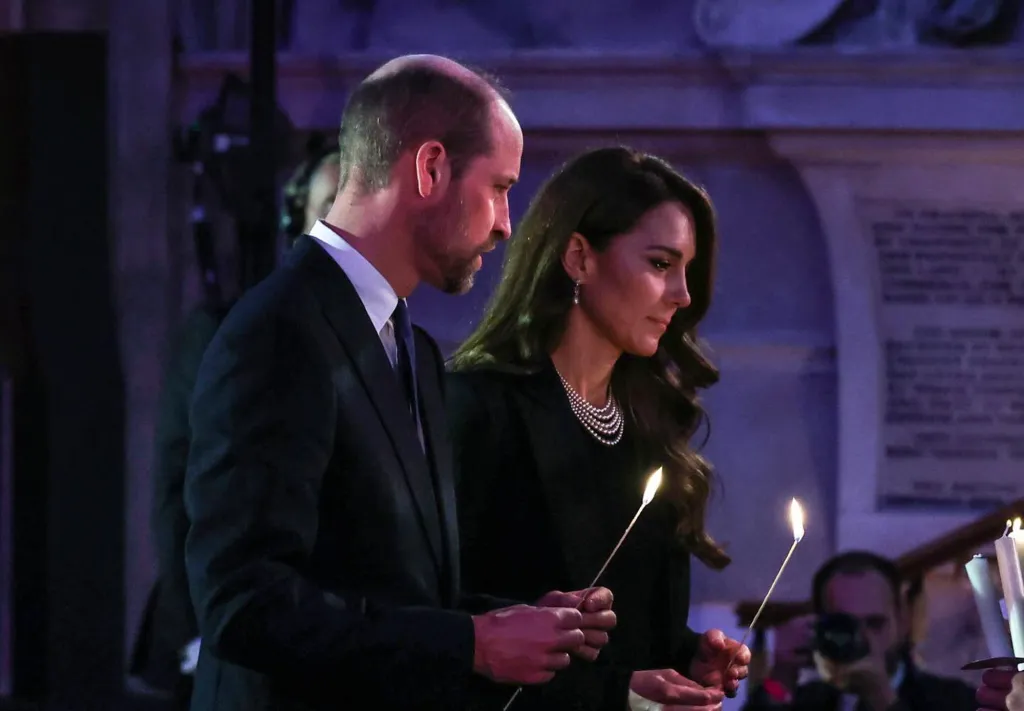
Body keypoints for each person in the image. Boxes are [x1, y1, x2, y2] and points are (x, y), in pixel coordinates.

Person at [183, 55, 615, 711]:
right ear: (430, 168)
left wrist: (516, 622)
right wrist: (471, 643)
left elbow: (395, 591)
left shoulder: (411, 346)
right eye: (498, 187)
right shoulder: (279, 333)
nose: (505, 223)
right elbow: (243, 600)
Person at [448, 146, 750, 711]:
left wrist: (688, 657)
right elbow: (443, 619)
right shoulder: (479, 407)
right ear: (579, 257)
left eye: (687, 270)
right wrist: (619, 695)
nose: (683, 295)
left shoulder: (648, 428)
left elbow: (633, 634)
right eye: (661, 264)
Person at [128, 139, 343, 707]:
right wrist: (203, 628)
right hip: (220, 642)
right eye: (327, 207)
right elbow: (177, 498)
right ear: (295, 220)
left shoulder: (383, 345)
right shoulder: (228, 329)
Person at [742, 551, 977, 711]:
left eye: (875, 624)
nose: (863, 639)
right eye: (846, 625)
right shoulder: (808, 700)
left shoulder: (955, 700)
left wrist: (883, 699)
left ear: (903, 620)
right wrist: (781, 676)